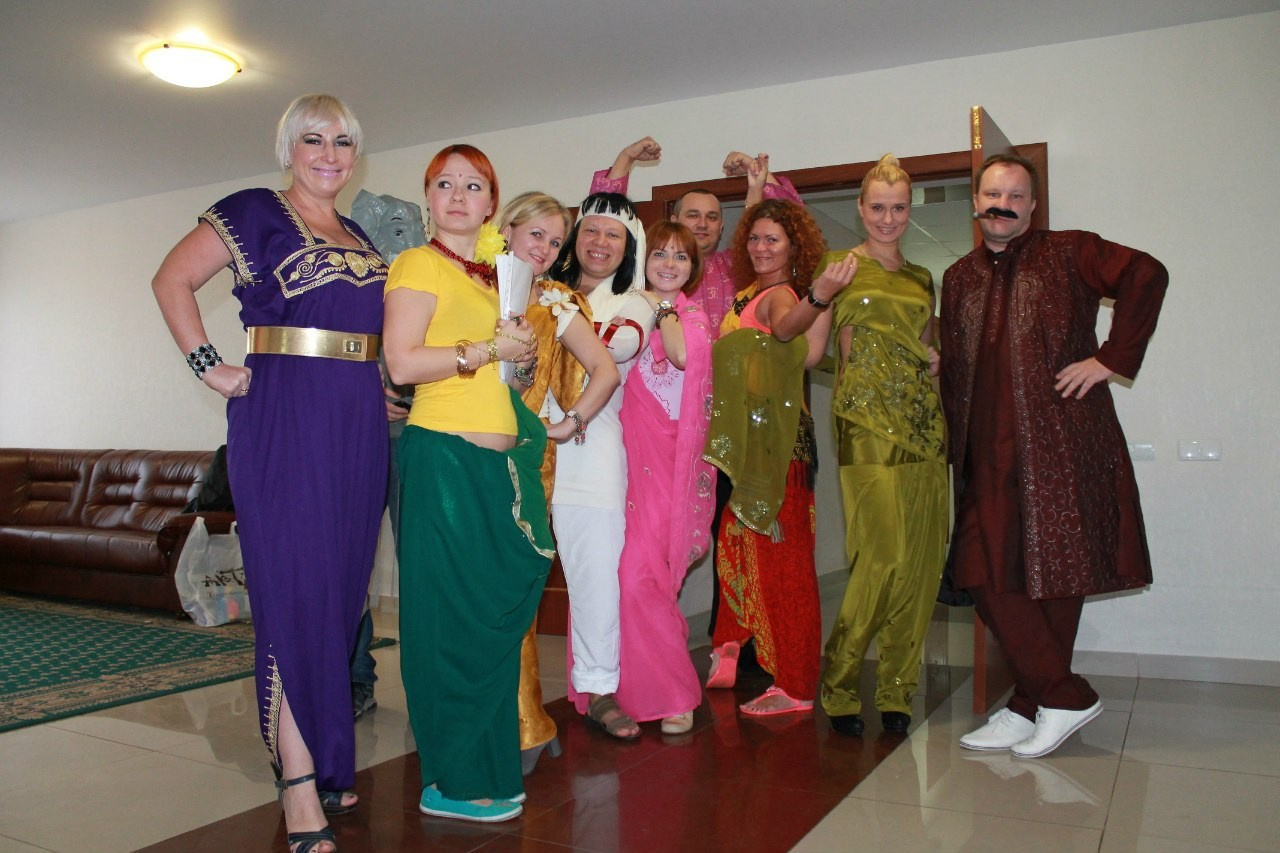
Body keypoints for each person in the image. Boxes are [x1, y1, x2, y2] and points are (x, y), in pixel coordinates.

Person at [151, 94, 387, 853]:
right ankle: (297, 782)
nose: (329, 154)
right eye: (314, 139)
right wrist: (208, 365)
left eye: (343, 142)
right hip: (284, 413)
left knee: (342, 595)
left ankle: (327, 755)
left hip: (357, 420)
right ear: (289, 147)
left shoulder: (360, 235)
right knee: (293, 595)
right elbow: (170, 280)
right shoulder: (253, 211)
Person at [941, 153, 1168, 758]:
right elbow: (956, 364)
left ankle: (1029, 704)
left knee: (1059, 573)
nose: (1003, 204)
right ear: (976, 201)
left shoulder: (1070, 251)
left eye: (1016, 196)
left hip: (1063, 442)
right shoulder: (959, 276)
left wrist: (1110, 359)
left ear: (1033, 206)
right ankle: (1061, 695)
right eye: (993, 194)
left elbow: (1147, 274)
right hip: (986, 453)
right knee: (981, 570)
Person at [383, 144, 552, 822]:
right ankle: (450, 781)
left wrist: (519, 355)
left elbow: (501, 377)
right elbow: (402, 362)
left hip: (492, 465)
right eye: (445, 183)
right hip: (444, 457)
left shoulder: (492, 278)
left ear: (491, 204)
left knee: (488, 620)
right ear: (428, 197)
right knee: (448, 620)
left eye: (474, 185)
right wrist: (488, 349)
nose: (458, 195)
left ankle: (485, 765)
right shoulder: (417, 263)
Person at [703, 198, 857, 715]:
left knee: (785, 565)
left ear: (794, 247)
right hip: (752, 447)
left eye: (773, 239)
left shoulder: (783, 296)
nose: (761, 247)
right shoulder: (749, 294)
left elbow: (788, 331)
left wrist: (820, 295)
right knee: (734, 545)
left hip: (780, 448)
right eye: (754, 237)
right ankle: (729, 644)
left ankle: (796, 684)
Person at [817, 155, 948, 737]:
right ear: (860, 209)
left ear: (909, 210)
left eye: (898, 208)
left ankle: (898, 687)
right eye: (878, 207)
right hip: (864, 422)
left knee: (920, 563)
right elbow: (811, 346)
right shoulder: (839, 266)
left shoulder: (922, 278)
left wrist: (934, 361)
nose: (888, 219)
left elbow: (926, 348)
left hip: (923, 425)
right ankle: (841, 680)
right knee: (882, 556)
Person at [496, 191, 620, 773]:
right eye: (536, 235)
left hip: (524, 462)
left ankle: (524, 720)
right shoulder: (470, 284)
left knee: (514, 590)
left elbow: (604, 371)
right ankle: (468, 715)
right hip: (458, 452)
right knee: (464, 590)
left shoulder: (557, 301)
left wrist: (566, 426)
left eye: (555, 241)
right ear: (507, 230)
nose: (545, 249)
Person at [546, 191, 654, 741]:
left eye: (614, 235)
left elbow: (615, 349)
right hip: (522, 445)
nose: (600, 242)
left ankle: (599, 689)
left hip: (591, 451)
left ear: (629, 247)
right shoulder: (543, 289)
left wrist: (553, 314)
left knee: (595, 579)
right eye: (591, 230)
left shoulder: (637, 302)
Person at [613, 221, 714, 735]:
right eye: (659, 254)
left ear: (692, 268)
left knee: (645, 577)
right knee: (627, 576)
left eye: (680, 256)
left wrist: (664, 308)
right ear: (643, 259)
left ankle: (672, 692)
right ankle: (633, 687)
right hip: (624, 460)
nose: (669, 264)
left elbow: (681, 356)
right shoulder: (627, 307)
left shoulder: (694, 316)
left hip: (673, 466)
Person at [590, 138, 802, 337]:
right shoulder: (649, 264)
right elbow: (602, 220)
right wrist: (626, 158)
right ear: (674, 220)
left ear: (721, 226)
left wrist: (757, 179)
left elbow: (791, 224)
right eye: (693, 215)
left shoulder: (737, 266)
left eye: (712, 217)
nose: (702, 224)